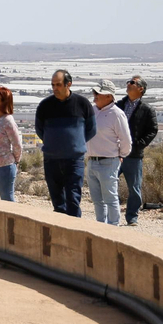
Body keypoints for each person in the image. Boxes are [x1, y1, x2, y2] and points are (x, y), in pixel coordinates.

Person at [35, 69, 95, 217]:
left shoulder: (82, 104)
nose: (55, 88)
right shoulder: (45, 106)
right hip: (51, 159)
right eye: (53, 85)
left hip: (74, 160)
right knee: (57, 202)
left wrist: (75, 144)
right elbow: (40, 130)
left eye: (58, 85)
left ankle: (75, 234)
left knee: (73, 199)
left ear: (69, 84)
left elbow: (91, 130)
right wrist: (54, 143)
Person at [85, 79, 133, 226]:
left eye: (98, 92)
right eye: (94, 92)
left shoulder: (117, 114)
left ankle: (113, 228)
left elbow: (126, 140)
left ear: (108, 96)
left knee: (110, 198)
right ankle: (101, 227)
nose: (95, 95)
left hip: (109, 162)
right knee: (97, 200)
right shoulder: (92, 111)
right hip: (92, 161)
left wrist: (120, 156)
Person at [119, 74, 158, 226]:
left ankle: (132, 217)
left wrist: (139, 145)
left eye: (132, 82)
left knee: (134, 188)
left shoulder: (147, 110)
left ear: (141, 89)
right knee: (108, 184)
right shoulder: (118, 105)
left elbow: (152, 130)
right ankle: (110, 215)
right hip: (115, 153)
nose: (128, 84)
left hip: (134, 155)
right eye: (128, 81)